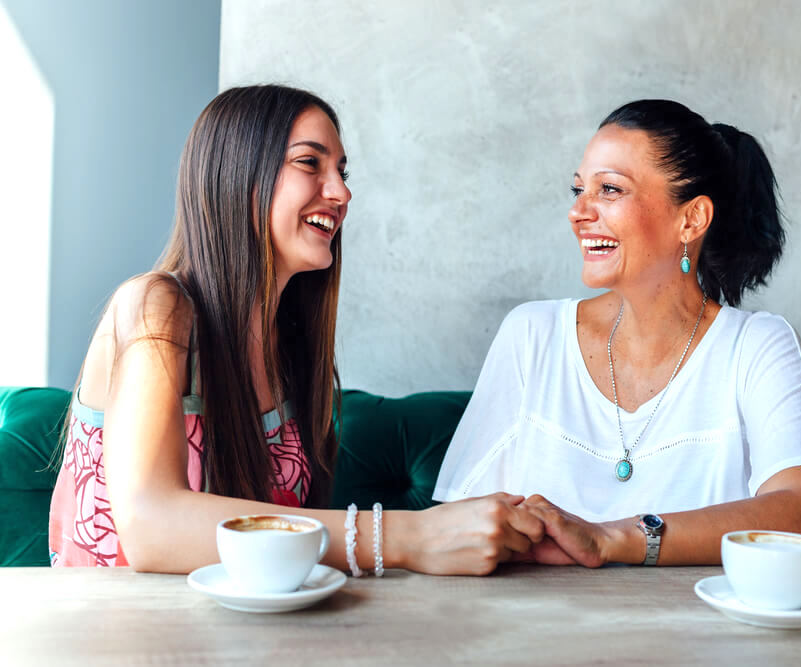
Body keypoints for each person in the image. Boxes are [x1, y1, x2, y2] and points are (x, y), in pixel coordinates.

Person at [49, 84, 546, 576]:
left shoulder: (288, 344)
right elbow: (150, 528)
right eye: (311, 163)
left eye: (342, 171)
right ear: (238, 175)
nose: (342, 192)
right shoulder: (156, 306)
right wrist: (406, 537)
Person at [433, 100, 801, 567]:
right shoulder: (532, 336)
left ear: (691, 219)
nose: (577, 211)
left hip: (702, 636)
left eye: (608, 189)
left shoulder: (760, 346)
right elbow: (454, 527)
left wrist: (612, 538)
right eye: (577, 188)